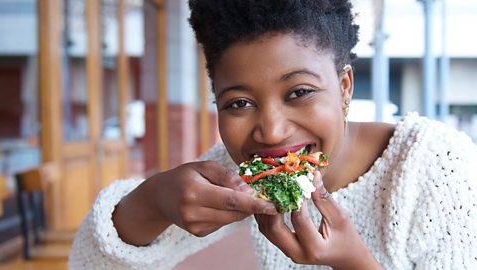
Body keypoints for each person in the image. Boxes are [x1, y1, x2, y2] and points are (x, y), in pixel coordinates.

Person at [68, 0, 477, 269]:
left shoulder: (439, 166)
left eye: (299, 92)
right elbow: (87, 263)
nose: (271, 131)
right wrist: (153, 201)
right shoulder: (242, 175)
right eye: (239, 103)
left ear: (346, 86)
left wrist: (353, 263)